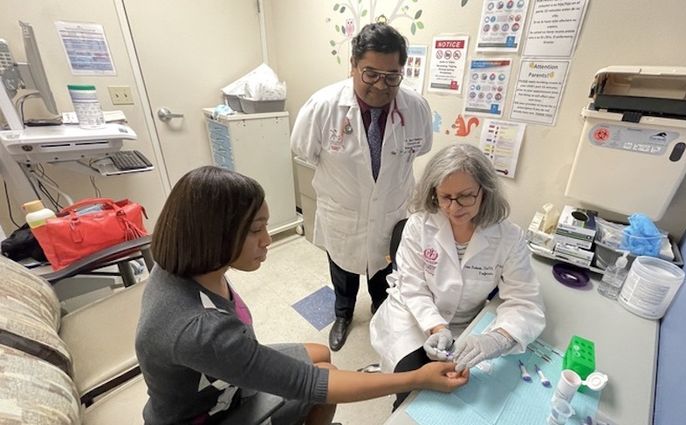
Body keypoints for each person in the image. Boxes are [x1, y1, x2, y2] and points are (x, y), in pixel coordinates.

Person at [135, 166, 467, 425]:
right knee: (328, 381)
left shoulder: (185, 265)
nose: (267, 239)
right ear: (213, 235)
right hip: (207, 413)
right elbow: (308, 384)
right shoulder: (200, 330)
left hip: (218, 375)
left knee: (321, 353)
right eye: (255, 230)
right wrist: (415, 378)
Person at [369, 144, 546, 409]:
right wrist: (437, 327)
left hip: (467, 325)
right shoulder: (419, 225)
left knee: (463, 395)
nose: (454, 207)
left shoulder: (508, 238)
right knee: (412, 392)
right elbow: (414, 286)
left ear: (484, 192)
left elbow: (525, 301)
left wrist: (498, 338)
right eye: (445, 197)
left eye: (465, 196)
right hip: (411, 317)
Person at [291, 23, 433, 351]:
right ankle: (342, 315)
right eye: (370, 74)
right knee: (342, 270)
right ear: (353, 65)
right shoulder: (323, 106)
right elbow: (303, 150)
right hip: (343, 212)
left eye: (392, 76)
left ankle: (381, 314)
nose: (381, 85)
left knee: (385, 271)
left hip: (391, 210)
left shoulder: (416, 108)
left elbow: (421, 148)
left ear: (402, 71)